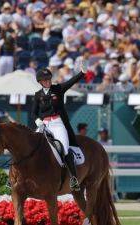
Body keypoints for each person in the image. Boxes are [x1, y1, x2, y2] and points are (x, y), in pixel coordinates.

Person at [32, 60, 88, 191]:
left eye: (49, 79)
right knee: (31, 146)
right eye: (45, 80)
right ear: (40, 82)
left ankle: (74, 178)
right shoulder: (37, 95)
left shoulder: (57, 89)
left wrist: (82, 73)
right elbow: (33, 113)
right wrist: (38, 121)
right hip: (44, 124)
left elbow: (70, 82)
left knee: (65, 147)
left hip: (57, 123)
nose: (48, 81)